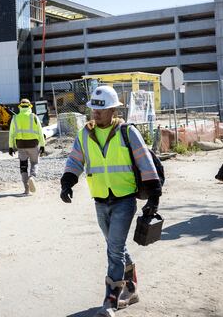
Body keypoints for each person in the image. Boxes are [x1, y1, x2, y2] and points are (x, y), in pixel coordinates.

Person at [59, 85, 161, 316]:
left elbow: (145, 162)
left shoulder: (128, 132)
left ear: (114, 110)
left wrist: (154, 196)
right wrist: (67, 182)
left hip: (124, 200)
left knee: (114, 250)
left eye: (101, 109)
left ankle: (111, 300)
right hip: (100, 201)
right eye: (93, 108)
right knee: (116, 247)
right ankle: (131, 288)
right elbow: (75, 160)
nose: (95, 112)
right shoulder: (85, 133)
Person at [8, 98, 45, 195]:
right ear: (30, 107)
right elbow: (40, 132)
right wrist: (42, 145)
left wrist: (11, 147)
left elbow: (11, 133)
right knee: (34, 163)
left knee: (23, 166)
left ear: (20, 106)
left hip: (21, 145)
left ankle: (26, 189)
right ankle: (32, 177)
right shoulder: (34, 117)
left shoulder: (15, 118)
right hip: (33, 144)